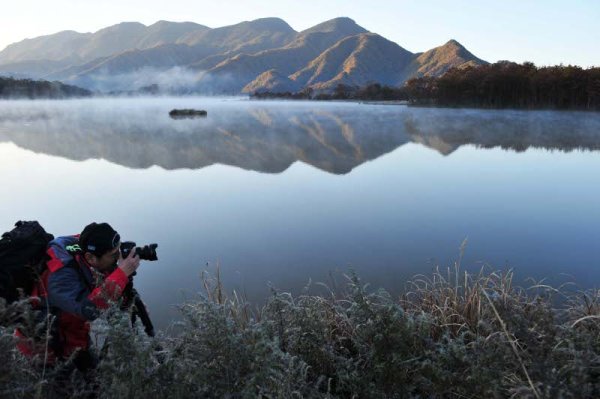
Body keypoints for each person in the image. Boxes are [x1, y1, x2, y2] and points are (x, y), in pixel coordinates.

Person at [17, 222, 141, 370]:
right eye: (114, 255)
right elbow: (89, 309)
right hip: (45, 352)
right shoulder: (59, 277)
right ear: (90, 258)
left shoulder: (84, 246)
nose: (118, 258)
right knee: (76, 389)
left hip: (74, 337)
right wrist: (121, 274)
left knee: (95, 382)